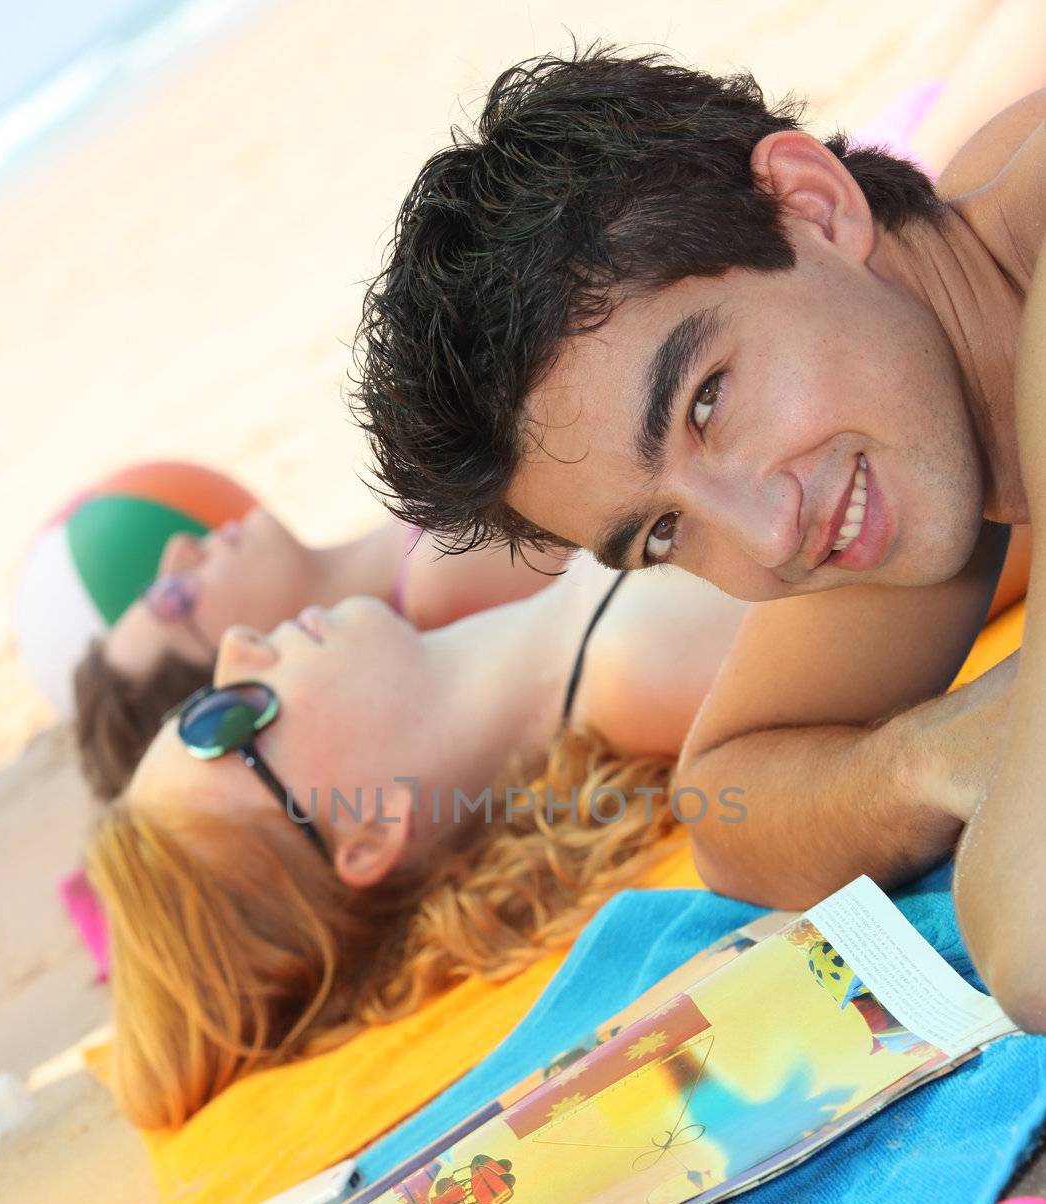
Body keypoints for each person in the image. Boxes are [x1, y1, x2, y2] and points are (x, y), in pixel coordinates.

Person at [350, 46, 1046, 1028]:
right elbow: (729, 799)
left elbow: (1031, 946)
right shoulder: (915, 382)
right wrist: (925, 755)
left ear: (812, 204)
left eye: (708, 400)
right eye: (664, 531)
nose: (767, 541)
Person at [86, 556, 746, 1128]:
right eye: (222, 717)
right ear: (367, 831)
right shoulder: (651, 661)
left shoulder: (512, 600)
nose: (235, 646)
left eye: (199, 698)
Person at [74, 504, 564, 800]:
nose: (181, 548)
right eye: (175, 597)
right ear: (244, 668)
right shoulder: (449, 577)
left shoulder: (422, 565)